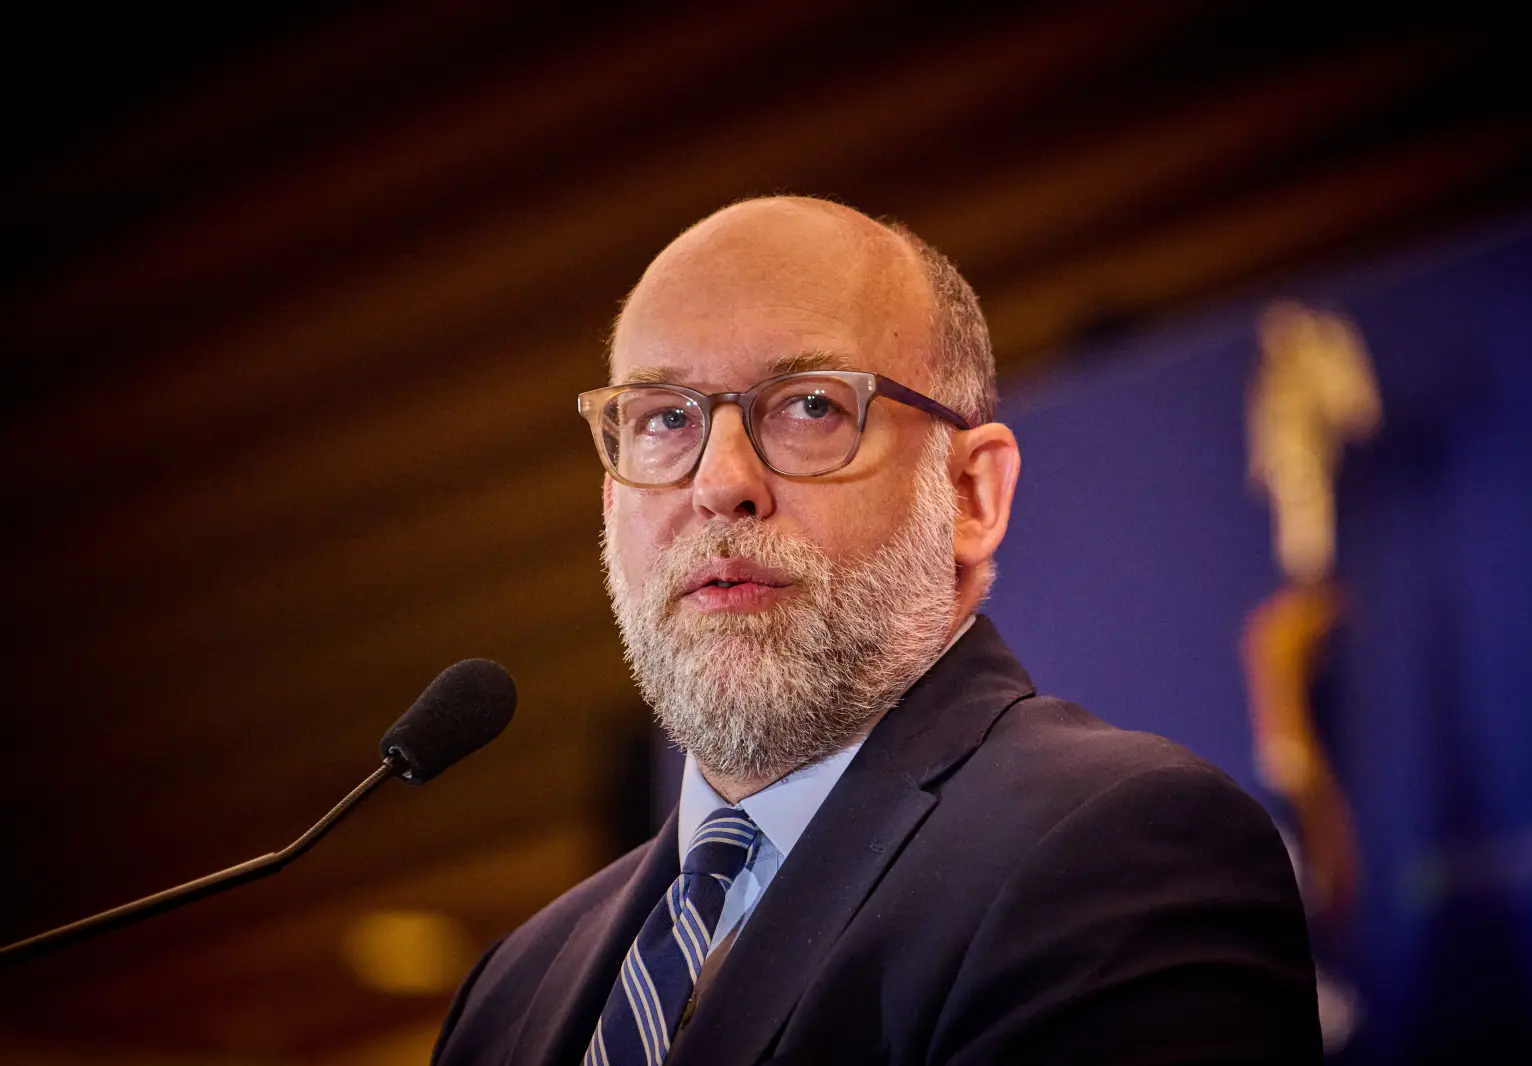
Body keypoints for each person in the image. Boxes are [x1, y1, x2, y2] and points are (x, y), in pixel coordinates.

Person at [431, 196, 1321, 1065]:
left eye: (810, 406)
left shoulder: (1124, 849)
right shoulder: (511, 991)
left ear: (972, 496)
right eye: (665, 419)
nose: (719, 482)